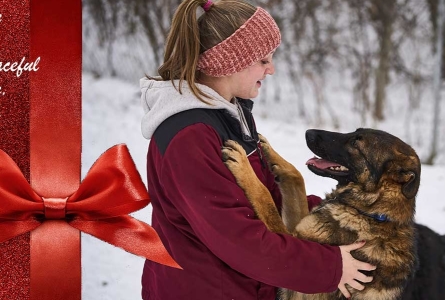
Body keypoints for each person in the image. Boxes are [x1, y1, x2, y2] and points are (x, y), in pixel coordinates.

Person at [139, 0, 376, 299]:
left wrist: (344, 220)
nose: (272, 69)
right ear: (229, 62)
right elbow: (238, 239)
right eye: (263, 60)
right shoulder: (191, 136)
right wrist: (330, 268)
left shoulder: (228, 114)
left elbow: (267, 198)